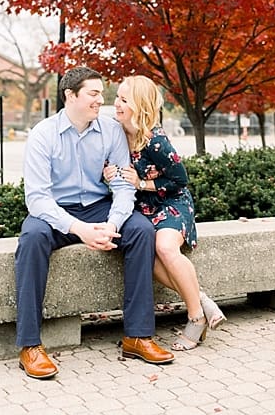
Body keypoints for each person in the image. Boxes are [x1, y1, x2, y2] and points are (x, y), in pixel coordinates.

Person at [15, 66, 174, 380]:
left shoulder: (111, 130)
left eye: (102, 93)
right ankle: (29, 345)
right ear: (70, 96)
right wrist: (79, 229)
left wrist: (113, 224)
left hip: (100, 209)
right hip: (55, 213)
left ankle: (137, 336)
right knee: (31, 238)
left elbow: (123, 185)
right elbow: (37, 199)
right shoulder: (43, 134)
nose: (102, 100)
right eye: (93, 93)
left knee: (141, 230)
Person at [104, 75, 226, 350]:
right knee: (147, 253)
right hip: (142, 209)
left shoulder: (155, 141)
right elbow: (108, 168)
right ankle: (202, 300)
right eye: (117, 98)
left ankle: (195, 318)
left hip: (171, 204)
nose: (117, 104)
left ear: (140, 105)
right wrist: (107, 174)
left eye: (124, 100)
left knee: (166, 248)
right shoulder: (115, 131)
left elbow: (179, 181)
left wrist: (142, 183)